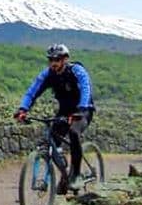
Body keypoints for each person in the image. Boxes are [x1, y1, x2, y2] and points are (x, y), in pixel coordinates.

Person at [14, 44, 95, 192]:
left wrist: (81, 109)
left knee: (74, 132)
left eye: (57, 59)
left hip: (83, 110)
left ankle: (76, 175)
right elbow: (32, 92)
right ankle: (65, 175)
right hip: (64, 111)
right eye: (51, 60)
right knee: (51, 141)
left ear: (65, 59)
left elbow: (85, 88)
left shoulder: (76, 71)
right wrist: (23, 109)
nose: (53, 63)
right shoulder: (48, 74)